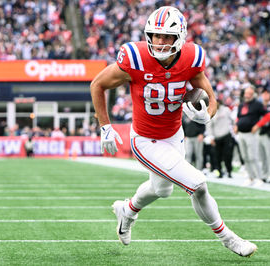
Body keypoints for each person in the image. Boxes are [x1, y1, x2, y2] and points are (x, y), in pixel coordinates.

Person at [90, 6, 257, 257]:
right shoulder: (134, 57)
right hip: (145, 139)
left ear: (179, 37)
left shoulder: (191, 57)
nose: (160, 41)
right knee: (198, 184)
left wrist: (206, 114)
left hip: (174, 134)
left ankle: (127, 210)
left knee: (162, 189)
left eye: (167, 36)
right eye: (156, 35)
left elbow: (210, 96)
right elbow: (98, 84)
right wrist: (105, 126)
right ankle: (228, 238)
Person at [234, 86, 270, 186]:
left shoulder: (258, 104)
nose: (247, 96)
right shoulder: (242, 105)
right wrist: (236, 125)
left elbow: (269, 116)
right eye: (246, 93)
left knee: (253, 156)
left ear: (253, 95)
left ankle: (259, 178)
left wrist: (258, 125)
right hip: (241, 133)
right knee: (245, 157)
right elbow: (239, 117)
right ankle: (250, 177)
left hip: (251, 134)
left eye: (250, 94)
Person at [205, 99, 234, 178]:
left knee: (227, 155)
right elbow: (209, 126)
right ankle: (220, 171)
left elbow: (232, 120)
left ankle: (229, 170)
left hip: (226, 135)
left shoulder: (226, 110)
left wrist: (233, 129)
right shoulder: (211, 111)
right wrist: (211, 137)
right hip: (217, 137)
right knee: (217, 156)